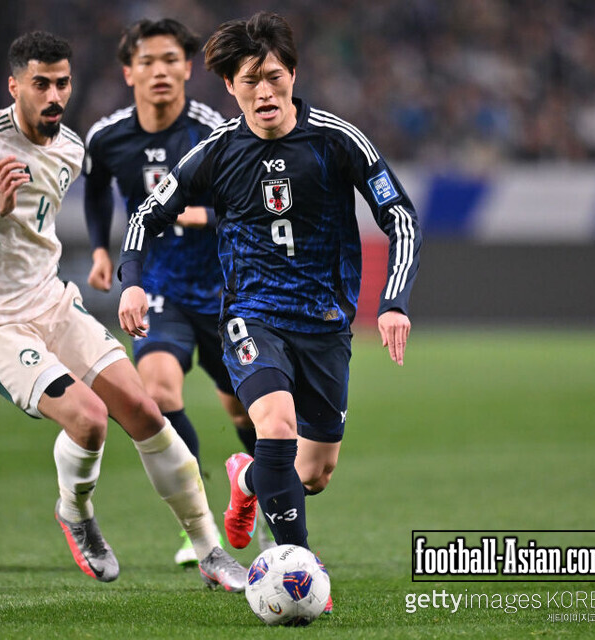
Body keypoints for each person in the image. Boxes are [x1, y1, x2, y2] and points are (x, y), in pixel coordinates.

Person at [0, 30, 245, 590]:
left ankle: (209, 549)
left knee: (144, 409)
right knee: (90, 421)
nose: (54, 95)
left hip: (52, 303)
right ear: (14, 85)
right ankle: (76, 512)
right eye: (40, 83)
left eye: (62, 82)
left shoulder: (69, 146)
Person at [118, 12, 422, 611]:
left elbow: (400, 217)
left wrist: (394, 303)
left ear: (293, 75)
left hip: (327, 325)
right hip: (253, 316)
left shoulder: (338, 140)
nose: (264, 92)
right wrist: (131, 282)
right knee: (275, 427)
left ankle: (246, 478)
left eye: (274, 77)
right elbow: (144, 217)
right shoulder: (214, 154)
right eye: (249, 80)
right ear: (230, 88)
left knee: (312, 474)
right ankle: (300, 572)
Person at [83, 18, 269, 567]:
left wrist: (202, 213)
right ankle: (201, 528)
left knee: (248, 413)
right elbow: (97, 194)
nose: (160, 70)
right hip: (160, 289)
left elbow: (253, 199)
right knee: (158, 394)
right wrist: (99, 250)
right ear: (129, 72)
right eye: (148, 61)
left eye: (171, 60)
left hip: (226, 292)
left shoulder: (214, 130)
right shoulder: (108, 137)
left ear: (188, 68)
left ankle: (257, 492)